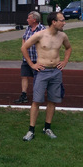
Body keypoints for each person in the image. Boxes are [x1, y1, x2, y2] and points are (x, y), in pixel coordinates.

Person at [21, 11, 72, 141]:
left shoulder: (63, 36)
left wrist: (65, 61)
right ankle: (31, 130)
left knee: (52, 101)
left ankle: (47, 128)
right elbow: (24, 47)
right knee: (36, 101)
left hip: (56, 72)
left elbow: (68, 48)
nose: (64, 23)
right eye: (62, 20)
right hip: (42, 72)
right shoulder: (40, 35)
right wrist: (32, 65)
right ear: (53, 22)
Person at [14, 11, 45, 104]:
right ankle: (24, 95)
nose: (27, 20)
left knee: (37, 78)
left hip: (37, 59)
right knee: (24, 76)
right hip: (27, 58)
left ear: (34, 20)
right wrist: (24, 47)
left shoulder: (42, 29)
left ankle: (38, 96)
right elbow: (24, 38)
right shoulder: (28, 28)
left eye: (29, 18)